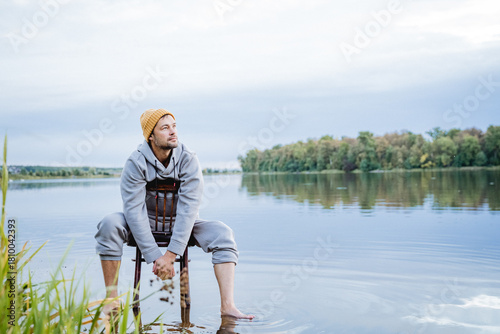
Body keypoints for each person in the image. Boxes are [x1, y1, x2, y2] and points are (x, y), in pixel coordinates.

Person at [95, 108, 254, 319]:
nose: (173, 132)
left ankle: (228, 307)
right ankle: (112, 301)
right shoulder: (135, 163)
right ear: (151, 136)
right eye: (165, 128)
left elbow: (189, 209)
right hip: (144, 226)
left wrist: (171, 255)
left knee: (223, 233)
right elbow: (133, 212)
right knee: (109, 224)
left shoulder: (188, 159)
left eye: (174, 126)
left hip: (182, 225)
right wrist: (155, 256)